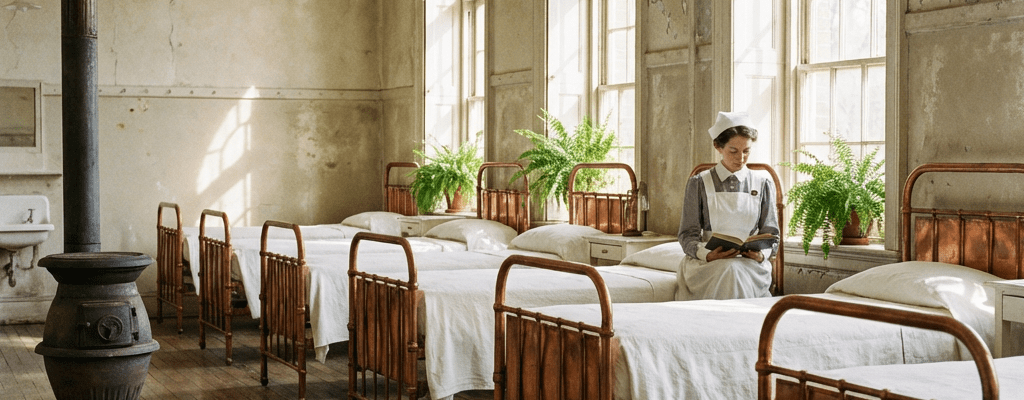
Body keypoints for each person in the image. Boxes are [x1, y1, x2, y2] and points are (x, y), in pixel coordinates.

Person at [675, 111, 779, 300]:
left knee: (733, 269)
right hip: (707, 264)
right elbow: (687, 234)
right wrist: (707, 254)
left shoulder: (763, 184)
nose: (741, 157)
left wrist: (761, 255)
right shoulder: (699, 183)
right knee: (729, 270)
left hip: (750, 266)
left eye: (746, 151)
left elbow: (772, 234)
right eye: (733, 151)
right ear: (718, 146)